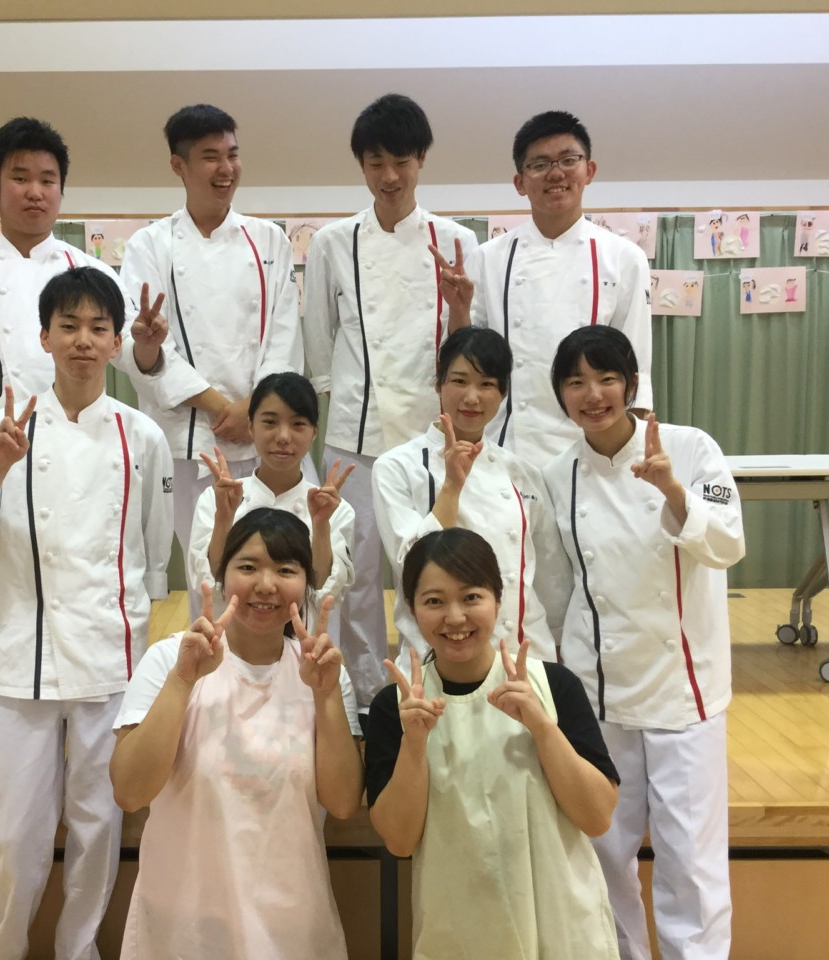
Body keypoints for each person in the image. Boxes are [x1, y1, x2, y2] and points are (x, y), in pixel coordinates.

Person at [0, 116, 174, 781]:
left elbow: (131, 362)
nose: (35, 192)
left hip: (81, 449)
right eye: (20, 178)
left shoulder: (91, 271)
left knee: (79, 590)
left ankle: (85, 716)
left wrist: (147, 345)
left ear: (62, 190)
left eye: (48, 180)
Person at [0, 266, 173, 960]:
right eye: (68, 326)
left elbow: (152, 548)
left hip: (107, 655)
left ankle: (79, 950)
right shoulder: (4, 427)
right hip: (22, 657)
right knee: (15, 832)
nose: (83, 340)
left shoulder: (140, 435)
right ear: (44, 337)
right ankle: (3, 948)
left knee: (99, 825)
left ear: (117, 342)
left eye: (98, 328)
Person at [542, 325, 745, 960]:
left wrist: (673, 492)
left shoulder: (691, 447)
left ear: (631, 384)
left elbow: (728, 544)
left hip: (684, 693)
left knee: (691, 864)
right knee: (602, 853)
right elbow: (558, 587)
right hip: (598, 693)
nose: (593, 394)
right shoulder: (557, 474)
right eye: (576, 382)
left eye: (606, 379)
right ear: (560, 394)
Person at [110, 507, 363, 959]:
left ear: (307, 584)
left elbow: (343, 803)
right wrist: (182, 681)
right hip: (183, 929)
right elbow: (129, 791)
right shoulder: (170, 660)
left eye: (285, 570)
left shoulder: (324, 674)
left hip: (291, 924)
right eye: (248, 567)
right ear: (222, 576)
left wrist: (326, 696)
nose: (265, 585)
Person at [366, 527, 620, 960]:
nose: (455, 617)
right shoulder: (397, 707)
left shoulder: (553, 685)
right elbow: (400, 841)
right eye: (434, 601)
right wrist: (414, 746)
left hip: (562, 925)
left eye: (471, 597)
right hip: (459, 930)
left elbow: (597, 817)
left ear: (498, 600)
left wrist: (542, 726)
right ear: (411, 608)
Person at [303, 93, 479, 712]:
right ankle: (366, 701)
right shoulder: (332, 242)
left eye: (401, 161)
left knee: (429, 569)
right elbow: (318, 341)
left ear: (421, 159)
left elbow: (468, 349)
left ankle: (430, 689)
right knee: (352, 576)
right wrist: (337, 403)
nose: (389, 176)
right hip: (353, 437)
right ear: (361, 165)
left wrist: (460, 307)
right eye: (375, 162)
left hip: (432, 438)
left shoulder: (457, 240)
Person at [120, 104, 303, 619]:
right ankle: (211, 663)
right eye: (210, 157)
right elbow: (142, 347)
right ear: (178, 166)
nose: (226, 169)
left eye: (233, 155)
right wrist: (225, 408)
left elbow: (283, 335)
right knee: (209, 567)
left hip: (265, 437)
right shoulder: (149, 245)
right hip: (190, 440)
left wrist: (257, 411)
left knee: (279, 566)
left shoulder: (268, 240)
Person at [437, 109, 653, 468]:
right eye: (539, 165)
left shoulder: (624, 257)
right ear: (520, 182)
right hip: (507, 446)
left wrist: (632, 460)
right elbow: (465, 357)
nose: (555, 173)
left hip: (594, 447)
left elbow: (637, 371)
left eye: (568, 160)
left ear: (589, 170)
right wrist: (458, 309)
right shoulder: (489, 258)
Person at [372, 327, 569, 662]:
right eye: (459, 381)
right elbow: (409, 564)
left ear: (504, 393)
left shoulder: (523, 473)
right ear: (438, 384)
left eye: (487, 384)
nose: (472, 397)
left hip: (525, 654)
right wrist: (452, 486)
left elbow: (551, 580)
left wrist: (560, 651)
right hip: (439, 656)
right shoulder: (397, 467)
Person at [188, 372, 355, 622]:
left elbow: (324, 595)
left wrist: (321, 526)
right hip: (230, 637)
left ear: (314, 433)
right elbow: (208, 585)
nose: (283, 437)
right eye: (269, 422)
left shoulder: (335, 510)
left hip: (302, 639)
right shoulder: (216, 499)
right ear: (250, 427)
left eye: (298, 424)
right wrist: (224, 519)